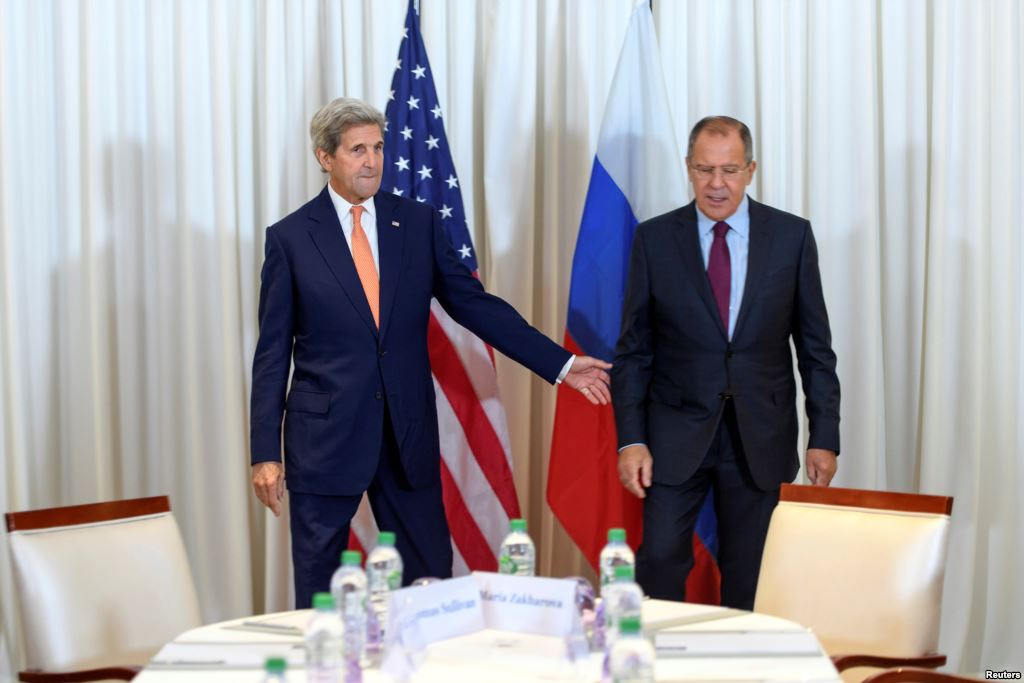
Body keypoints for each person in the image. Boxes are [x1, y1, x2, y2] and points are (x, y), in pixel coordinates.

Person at [250, 98, 611, 609]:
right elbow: (271, 353)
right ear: (324, 157)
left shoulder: (415, 223)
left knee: (431, 587)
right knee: (320, 591)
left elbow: (474, 305)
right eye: (357, 150)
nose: (372, 161)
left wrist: (561, 364)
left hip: (406, 432)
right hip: (324, 441)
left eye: (377, 147)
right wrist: (265, 451)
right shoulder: (289, 239)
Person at [611, 116, 840, 609]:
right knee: (661, 562)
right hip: (674, 433)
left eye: (730, 170)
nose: (717, 184)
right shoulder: (654, 240)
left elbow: (816, 349)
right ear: (689, 169)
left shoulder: (791, 237)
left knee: (752, 572)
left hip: (761, 433)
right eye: (705, 170)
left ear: (751, 170)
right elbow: (634, 350)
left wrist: (823, 435)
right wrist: (630, 438)